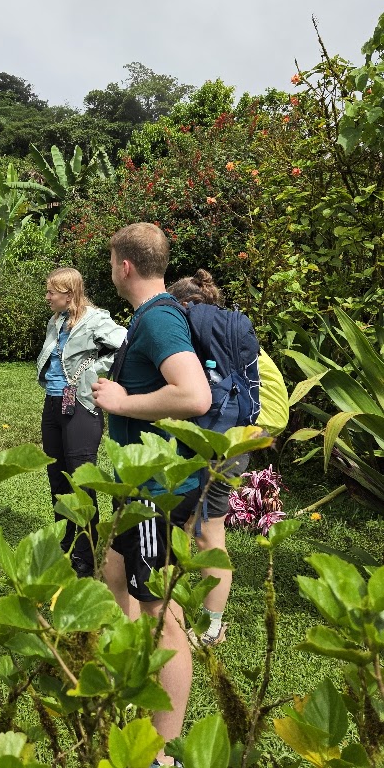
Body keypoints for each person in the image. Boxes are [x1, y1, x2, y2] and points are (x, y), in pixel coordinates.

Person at [91, 224, 211, 763]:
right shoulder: (152, 315)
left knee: (163, 614)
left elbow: (194, 394)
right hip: (137, 482)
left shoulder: (160, 316)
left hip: (156, 489)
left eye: (112, 261)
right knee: (116, 575)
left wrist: (120, 402)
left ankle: (161, 752)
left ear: (125, 266)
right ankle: (135, 680)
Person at [168, 269, 289, 646]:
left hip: (213, 443)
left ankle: (201, 627)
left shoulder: (192, 336)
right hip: (236, 444)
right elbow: (276, 408)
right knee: (201, 532)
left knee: (196, 532)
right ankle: (199, 622)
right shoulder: (241, 339)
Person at [37, 268, 126, 577]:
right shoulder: (57, 320)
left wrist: (92, 371)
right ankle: (67, 538)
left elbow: (124, 345)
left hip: (81, 406)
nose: (47, 297)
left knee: (80, 479)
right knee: (57, 476)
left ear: (69, 294)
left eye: (52, 292)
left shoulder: (96, 319)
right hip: (53, 402)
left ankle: (86, 553)